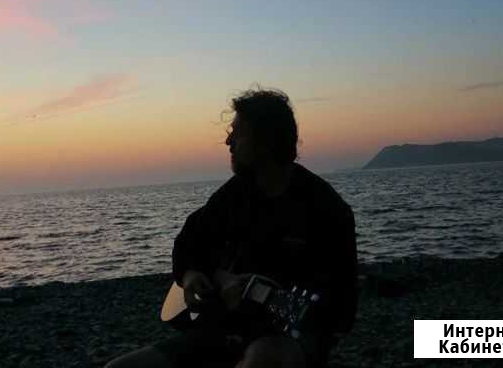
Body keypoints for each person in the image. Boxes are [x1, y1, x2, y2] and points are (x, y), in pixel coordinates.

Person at [105, 87, 357, 368]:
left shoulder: (326, 209)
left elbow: (342, 311)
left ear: (265, 141)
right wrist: (191, 275)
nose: (228, 141)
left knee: (263, 360)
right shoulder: (234, 194)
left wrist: (271, 300)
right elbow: (188, 242)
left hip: (288, 337)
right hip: (223, 329)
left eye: (237, 133)